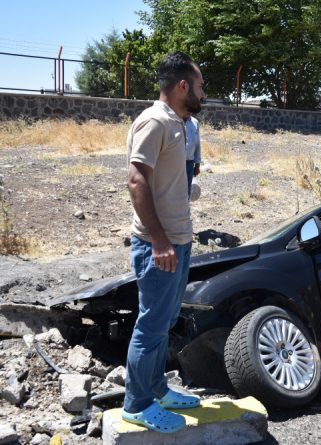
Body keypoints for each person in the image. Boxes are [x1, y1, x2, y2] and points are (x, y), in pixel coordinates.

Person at [122, 51, 206, 434]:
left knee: (165, 320)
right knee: (152, 325)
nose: (203, 93)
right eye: (200, 86)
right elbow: (136, 180)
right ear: (183, 86)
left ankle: (157, 390)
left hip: (180, 241)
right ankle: (137, 405)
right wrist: (158, 240)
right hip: (159, 245)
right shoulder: (153, 121)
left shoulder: (182, 124)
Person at [184, 114, 202, 198]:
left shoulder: (195, 122)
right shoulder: (174, 121)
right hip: (175, 163)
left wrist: (197, 165)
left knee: (187, 192)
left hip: (189, 163)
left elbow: (197, 144)